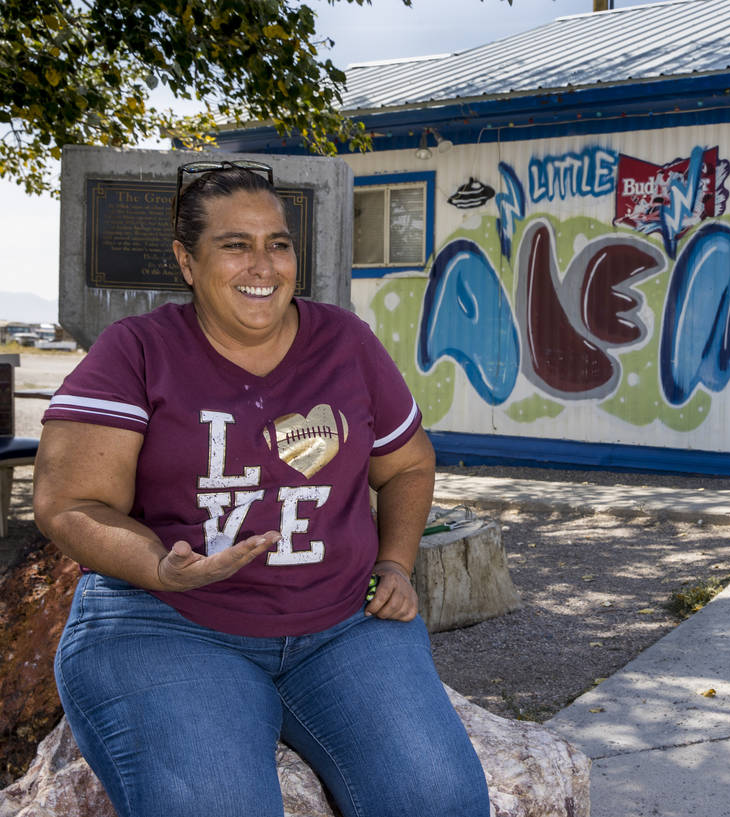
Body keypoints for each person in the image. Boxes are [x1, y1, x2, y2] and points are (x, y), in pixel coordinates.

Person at [33, 161, 490, 817]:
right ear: (186, 262)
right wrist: (161, 568)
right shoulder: (135, 351)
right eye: (235, 244)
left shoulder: (346, 344)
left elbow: (409, 464)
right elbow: (68, 503)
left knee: (435, 798)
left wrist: (396, 560)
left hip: (342, 624)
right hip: (168, 625)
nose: (264, 264)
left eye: (278, 243)